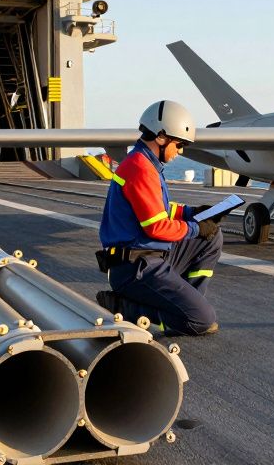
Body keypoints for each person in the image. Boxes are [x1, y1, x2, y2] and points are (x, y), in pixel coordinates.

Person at [95, 100, 222, 336]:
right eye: (180, 144)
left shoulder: (145, 164)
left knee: (213, 236)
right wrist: (195, 228)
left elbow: (157, 209)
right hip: (135, 268)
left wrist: (190, 212)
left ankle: (188, 303)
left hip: (149, 257)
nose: (180, 151)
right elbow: (157, 227)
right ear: (162, 137)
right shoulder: (141, 169)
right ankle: (127, 307)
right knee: (202, 321)